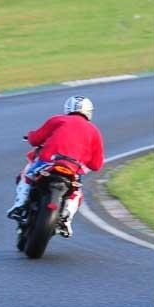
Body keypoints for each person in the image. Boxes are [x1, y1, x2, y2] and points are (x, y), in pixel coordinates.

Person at [7, 96, 104, 238]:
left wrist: (30, 136)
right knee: (76, 193)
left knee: (27, 173)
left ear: (68, 108)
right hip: (72, 168)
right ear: (89, 112)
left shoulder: (58, 120)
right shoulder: (94, 131)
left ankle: (20, 204)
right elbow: (96, 165)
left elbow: (36, 139)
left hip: (48, 162)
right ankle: (66, 218)